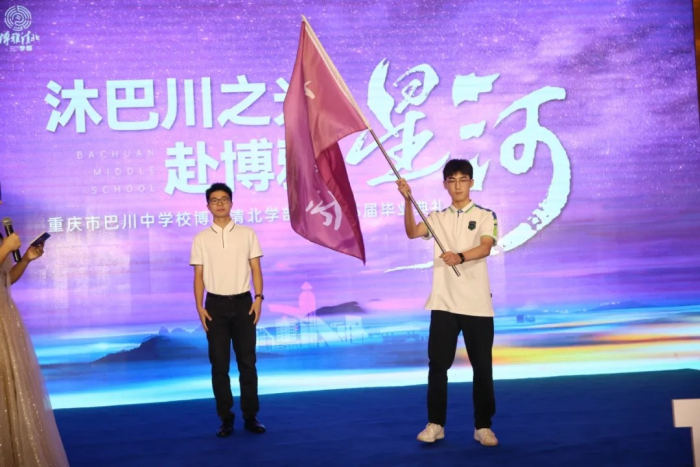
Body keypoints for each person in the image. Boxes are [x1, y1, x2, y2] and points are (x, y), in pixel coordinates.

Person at [396, 159, 499, 447]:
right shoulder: (437, 217)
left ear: (471, 182)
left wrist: (460, 257)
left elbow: (485, 247)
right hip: (443, 304)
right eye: (452, 180)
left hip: (477, 304)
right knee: (438, 366)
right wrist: (407, 201)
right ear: (445, 185)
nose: (457, 186)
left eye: (463, 179)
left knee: (482, 368)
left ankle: (483, 427)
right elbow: (412, 232)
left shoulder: (485, 215)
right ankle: (436, 424)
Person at [190, 182, 266, 437]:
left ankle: (251, 416)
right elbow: (198, 276)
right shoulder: (201, 238)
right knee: (219, 365)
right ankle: (226, 418)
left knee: (248, 363)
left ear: (232, 203)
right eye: (214, 200)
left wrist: (258, 298)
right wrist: (199, 307)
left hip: (244, 303)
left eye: (224, 199)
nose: (220, 203)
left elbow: (255, 268)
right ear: (208, 206)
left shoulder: (247, 234)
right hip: (215, 305)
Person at [0, 200, 70, 465]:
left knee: (11, 387)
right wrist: (5, 249)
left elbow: (6, 280)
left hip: (5, 317)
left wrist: (26, 259)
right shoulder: (5, 242)